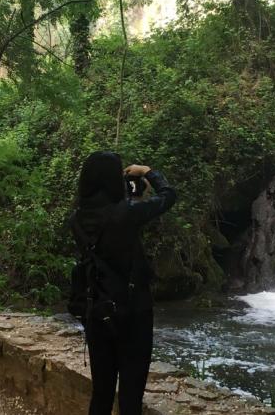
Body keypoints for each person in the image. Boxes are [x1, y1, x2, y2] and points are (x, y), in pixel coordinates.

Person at [70, 151, 177, 415]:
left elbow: (112, 222)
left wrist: (129, 197)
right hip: (133, 312)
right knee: (130, 396)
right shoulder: (126, 214)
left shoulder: (77, 218)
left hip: (96, 310)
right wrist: (149, 172)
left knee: (102, 393)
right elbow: (168, 196)